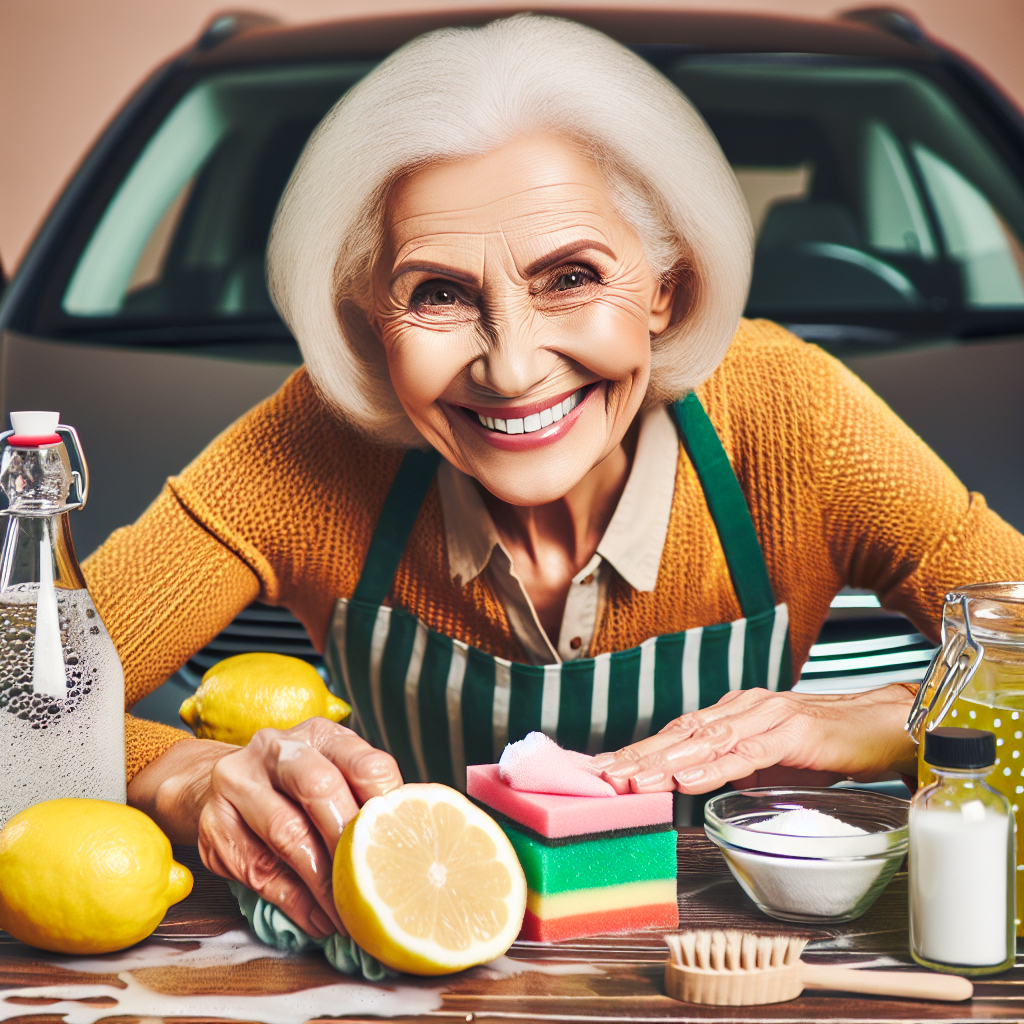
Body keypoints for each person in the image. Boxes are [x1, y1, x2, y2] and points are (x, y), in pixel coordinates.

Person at [83, 14, 1024, 940]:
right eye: (438, 294)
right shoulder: (311, 446)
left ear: (667, 288)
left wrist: (892, 717)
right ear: (372, 322)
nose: (514, 368)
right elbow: (20, 705)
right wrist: (187, 775)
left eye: (569, 276)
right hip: (417, 988)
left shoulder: (792, 418)